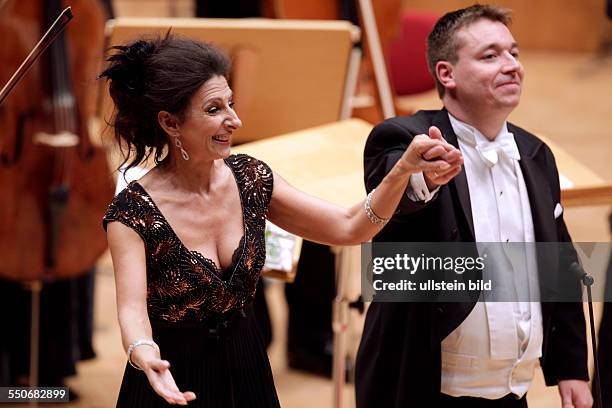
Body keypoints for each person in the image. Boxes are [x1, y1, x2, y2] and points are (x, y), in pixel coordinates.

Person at [99, 34, 461, 407]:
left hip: (247, 370)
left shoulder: (250, 179)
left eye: (231, 104)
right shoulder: (132, 214)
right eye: (214, 109)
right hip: (169, 378)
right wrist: (144, 352)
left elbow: (349, 226)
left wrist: (402, 171)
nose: (234, 120)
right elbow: (131, 310)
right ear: (170, 123)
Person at [355, 4, 593, 408]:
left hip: (513, 389)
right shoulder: (403, 138)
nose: (512, 65)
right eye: (490, 55)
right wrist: (421, 179)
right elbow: (392, 208)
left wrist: (571, 366)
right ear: (447, 74)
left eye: (514, 53)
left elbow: (559, 264)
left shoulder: (537, 155)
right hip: (424, 387)